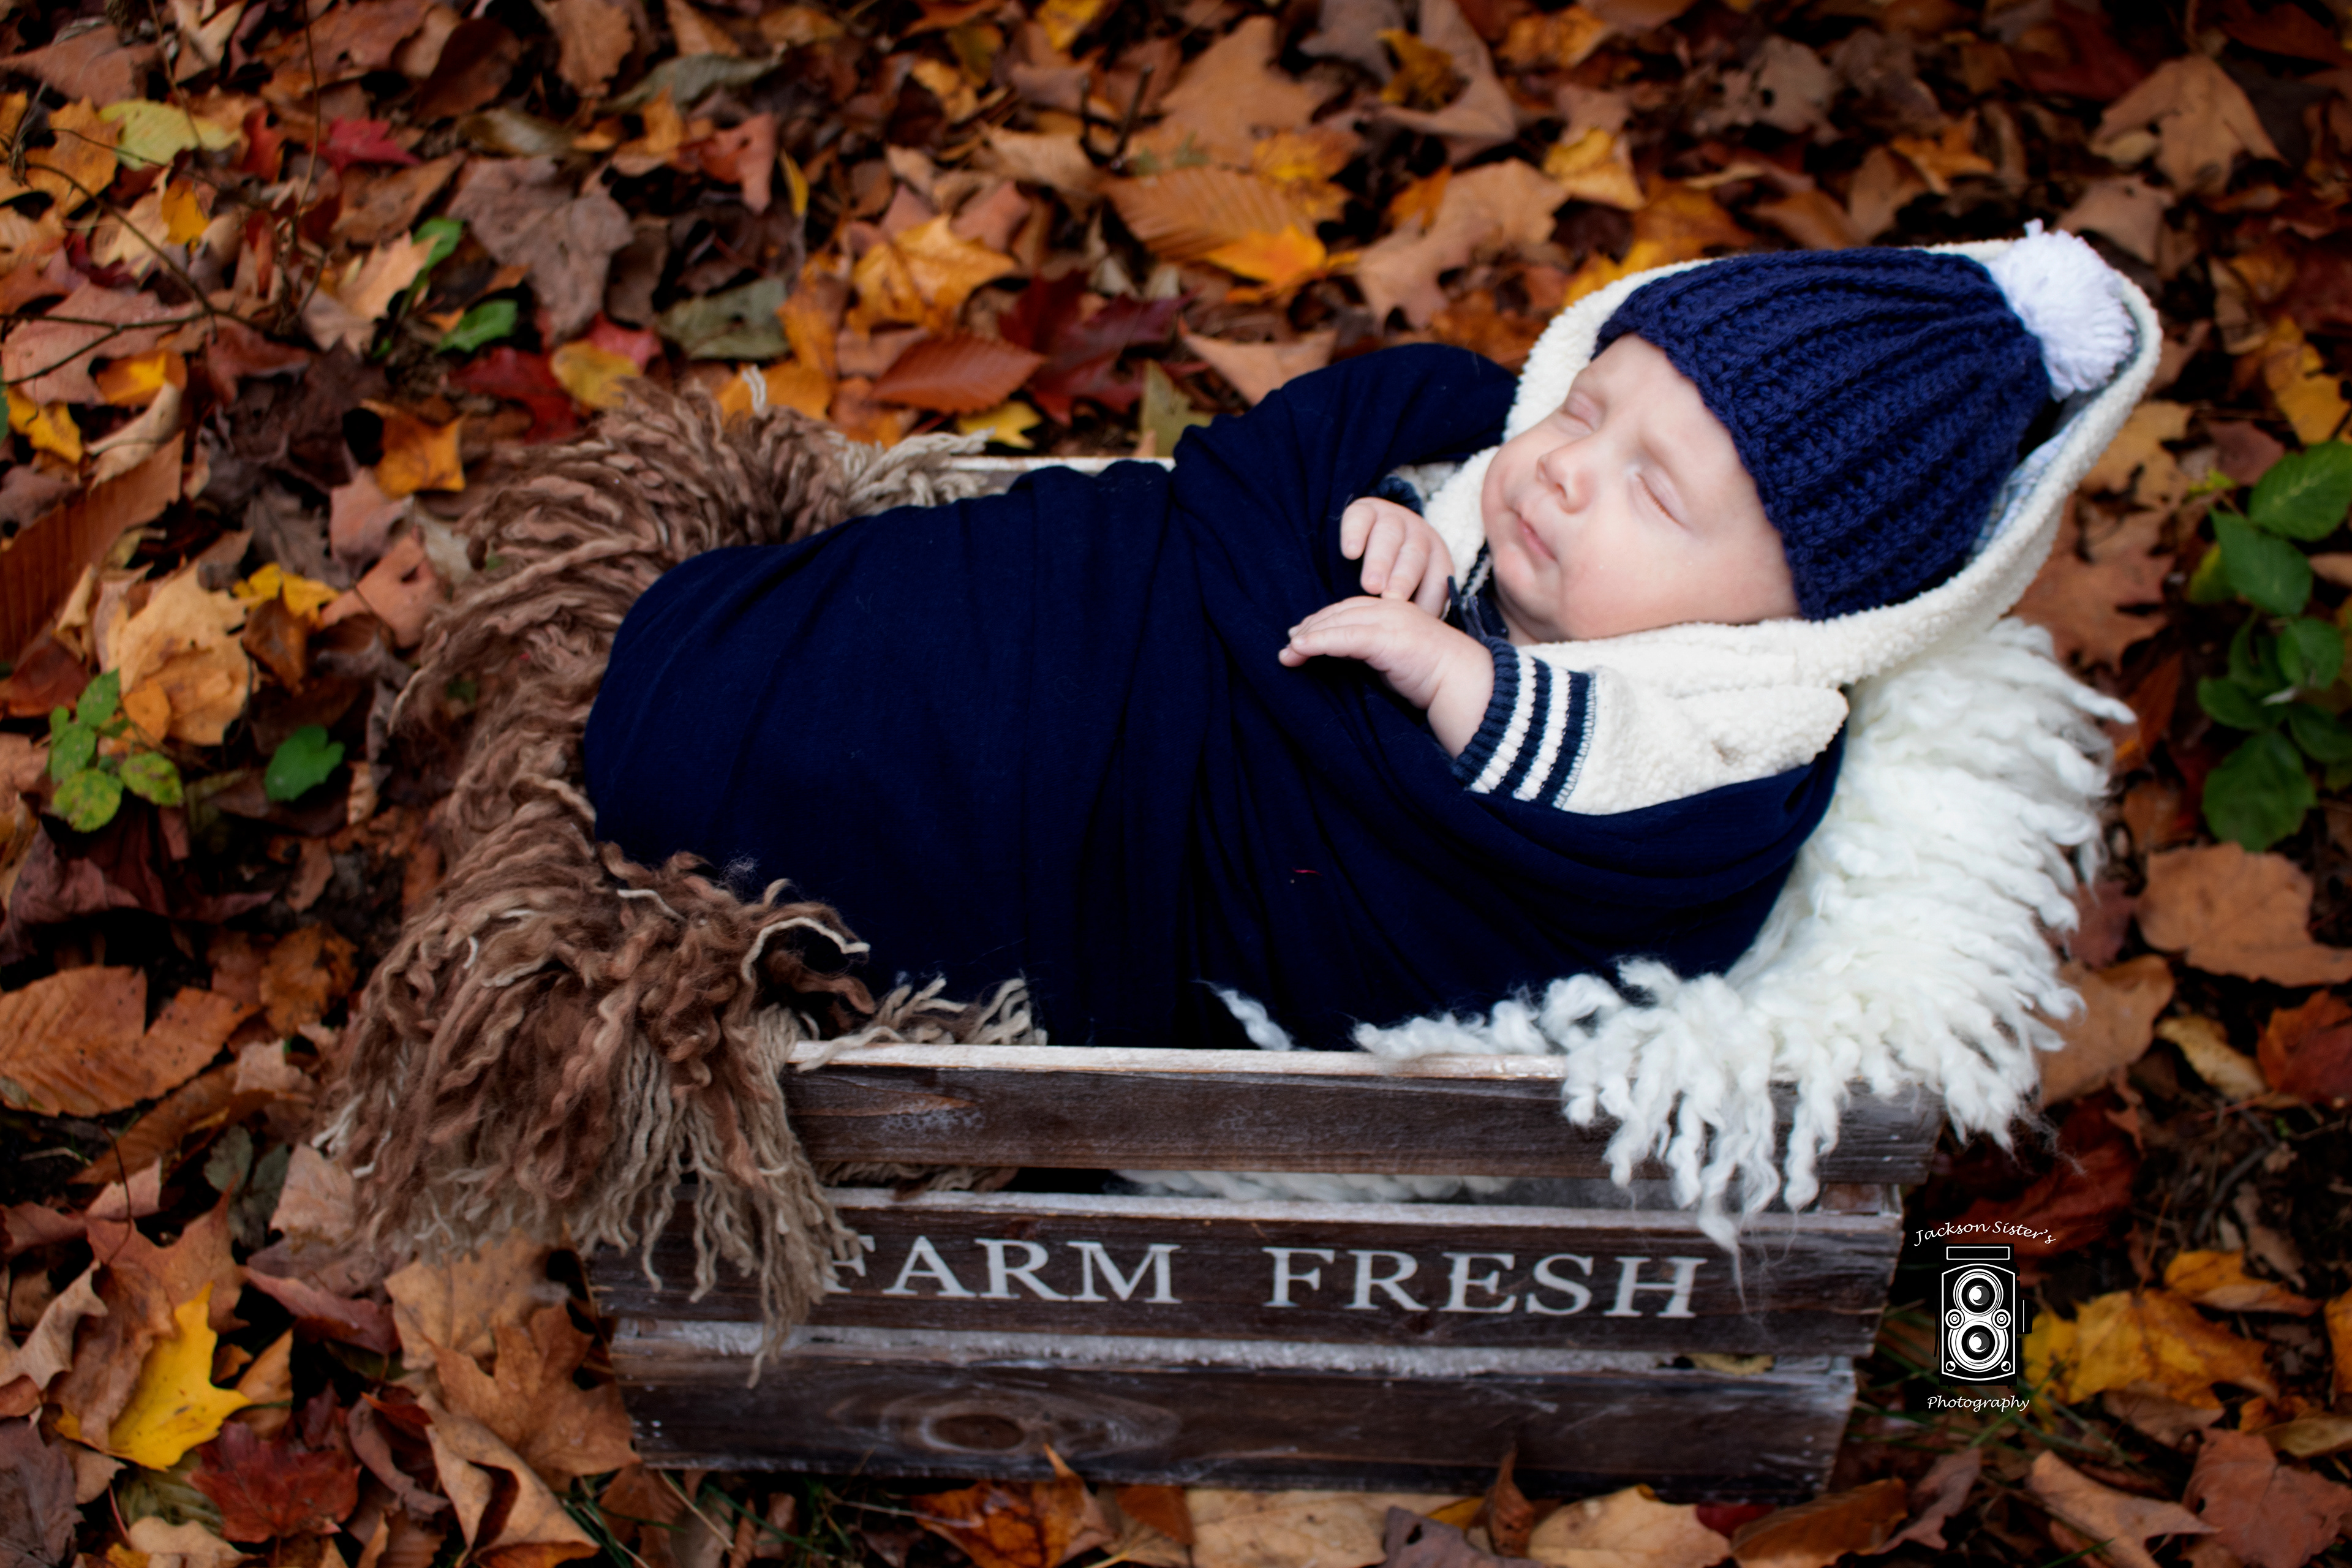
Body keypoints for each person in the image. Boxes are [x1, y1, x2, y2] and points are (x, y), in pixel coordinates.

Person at [583, 227, 2140, 1051]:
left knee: (946, 765)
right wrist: (1407, 523)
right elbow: (1381, 482)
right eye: (1588, 407)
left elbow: (1610, 788)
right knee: (957, 633)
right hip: (1143, 626)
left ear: (1797, 610)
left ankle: (728, 756)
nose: (1568, 470)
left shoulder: (1739, 715)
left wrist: (1455, 674)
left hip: (1222, 832)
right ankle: (738, 681)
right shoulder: (1524, 501)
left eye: (1655, 491)